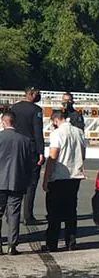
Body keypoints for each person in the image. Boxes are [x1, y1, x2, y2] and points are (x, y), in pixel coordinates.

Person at [42, 111, 87, 252]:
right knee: (71, 210)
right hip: (75, 176)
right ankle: (71, 241)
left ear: (55, 121)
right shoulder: (79, 132)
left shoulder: (57, 133)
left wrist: (46, 178)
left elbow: (53, 156)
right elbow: (83, 154)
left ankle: (52, 243)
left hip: (59, 177)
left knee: (54, 212)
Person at [10, 87, 45, 225]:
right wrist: (41, 152)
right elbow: (38, 132)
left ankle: (13, 215)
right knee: (31, 183)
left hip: (16, 148)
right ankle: (28, 216)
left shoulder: (15, 108)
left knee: (15, 180)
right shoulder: (36, 110)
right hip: (30, 149)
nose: (39, 96)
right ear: (31, 94)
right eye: (37, 94)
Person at [0, 112, 33, 255]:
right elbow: (29, 164)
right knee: (14, 213)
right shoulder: (24, 140)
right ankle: (12, 245)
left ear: (3, 122)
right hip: (16, 181)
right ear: (14, 122)